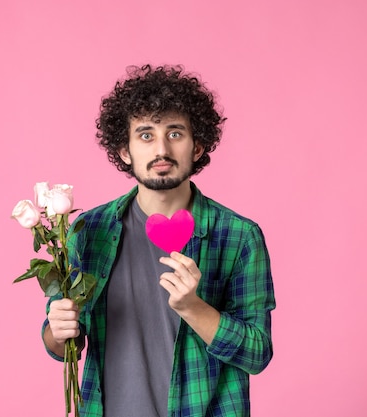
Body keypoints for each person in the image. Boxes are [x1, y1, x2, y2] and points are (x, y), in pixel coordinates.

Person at [42, 64, 275, 417]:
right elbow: (62, 344)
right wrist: (58, 331)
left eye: (176, 133)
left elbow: (257, 354)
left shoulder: (239, 236)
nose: (161, 149)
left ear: (197, 147)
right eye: (146, 135)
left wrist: (193, 308)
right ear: (125, 150)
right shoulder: (88, 231)